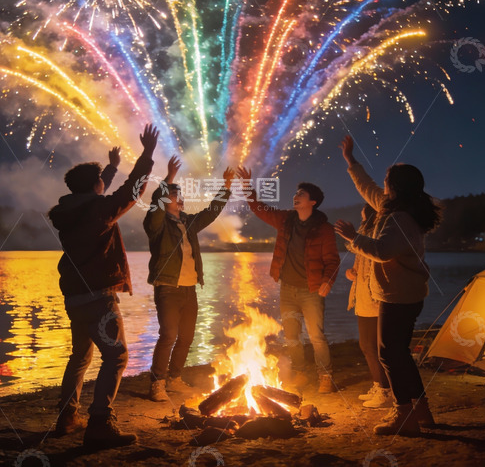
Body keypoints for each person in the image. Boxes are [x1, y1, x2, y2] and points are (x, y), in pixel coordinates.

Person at [48, 125, 159, 449]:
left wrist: (109, 168)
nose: (103, 185)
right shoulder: (99, 211)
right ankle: (100, 423)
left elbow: (96, 194)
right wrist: (148, 153)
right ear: (95, 186)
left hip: (75, 297)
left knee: (80, 357)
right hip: (99, 296)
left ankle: (67, 417)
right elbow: (132, 190)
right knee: (117, 356)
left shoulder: (71, 210)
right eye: (101, 180)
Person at [334, 135, 441, 437]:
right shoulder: (390, 209)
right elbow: (366, 186)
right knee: (400, 353)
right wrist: (350, 161)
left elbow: (382, 251)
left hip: (399, 296)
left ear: (397, 187)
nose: (381, 185)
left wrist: (354, 237)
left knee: (389, 354)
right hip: (402, 294)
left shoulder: (400, 219)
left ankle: (403, 414)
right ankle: (422, 411)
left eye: (386, 180)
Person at [236, 167, 340, 393]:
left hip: (311, 291)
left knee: (316, 336)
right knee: (292, 336)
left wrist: (328, 281)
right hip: (288, 289)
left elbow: (332, 260)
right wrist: (247, 186)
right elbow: (260, 209)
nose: (295, 196)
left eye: (301, 194)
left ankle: (325, 376)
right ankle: (301, 373)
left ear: (312, 202)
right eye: (295, 193)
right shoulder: (286, 220)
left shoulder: (324, 229)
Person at [144, 157, 234, 402]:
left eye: (180, 194)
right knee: (168, 336)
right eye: (174, 195)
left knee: (186, 337)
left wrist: (225, 188)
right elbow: (155, 205)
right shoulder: (157, 225)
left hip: (189, 289)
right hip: (168, 289)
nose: (180, 197)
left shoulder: (188, 222)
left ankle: (174, 379)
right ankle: (157, 384)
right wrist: (169, 178)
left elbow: (211, 212)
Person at [346, 204, 392, 409]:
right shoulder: (365, 235)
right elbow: (360, 264)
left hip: (375, 299)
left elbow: (379, 262)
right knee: (366, 346)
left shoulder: (379, 234)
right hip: (362, 297)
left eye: (363, 213)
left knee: (375, 347)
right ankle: (378, 385)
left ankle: (386, 391)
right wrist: (352, 273)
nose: (361, 216)